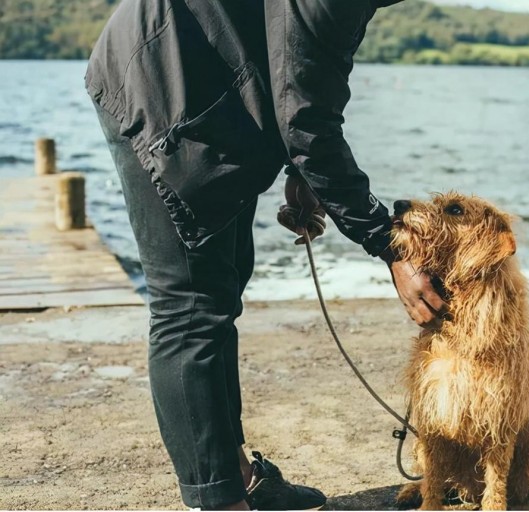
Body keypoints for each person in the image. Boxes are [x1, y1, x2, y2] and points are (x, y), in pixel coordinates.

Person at [86, 0, 449, 509]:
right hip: (163, 81)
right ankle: (219, 501)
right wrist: (389, 246)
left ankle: (237, 478)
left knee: (222, 287)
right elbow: (304, 117)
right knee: (191, 308)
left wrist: (302, 173)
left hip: (212, 83)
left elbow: (309, 77)